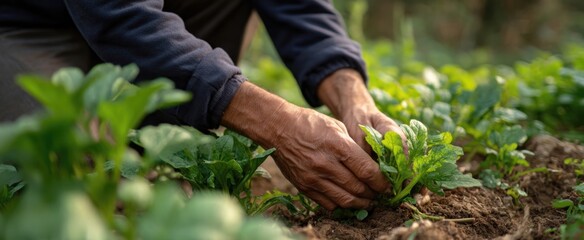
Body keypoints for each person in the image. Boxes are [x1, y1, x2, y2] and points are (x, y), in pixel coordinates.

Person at [0, 0, 407, 211]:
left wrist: (353, 96)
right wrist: (277, 123)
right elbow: (117, 13)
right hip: (30, 24)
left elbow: (300, 8)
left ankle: (152, 143)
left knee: (134, 174)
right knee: (69, 187)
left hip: (155, 22)